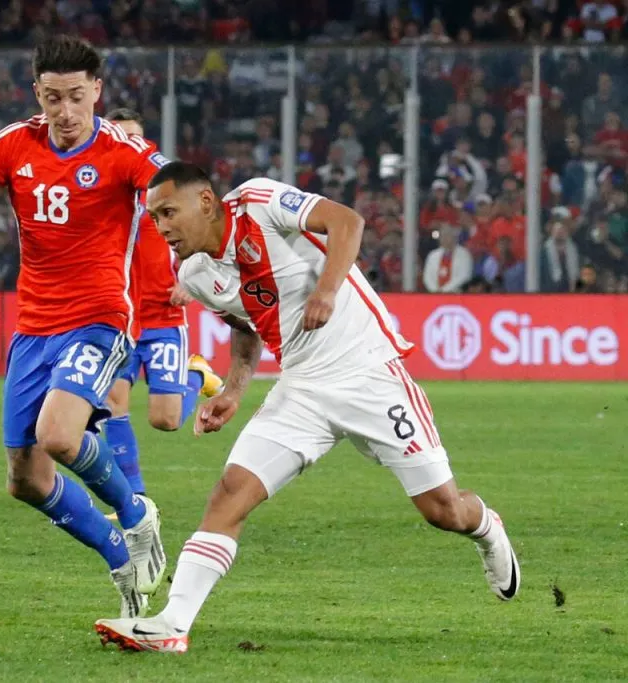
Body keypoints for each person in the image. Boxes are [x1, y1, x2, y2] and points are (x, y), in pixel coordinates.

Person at [95, 162, 520, 653]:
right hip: (301, 388)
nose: (161, 226)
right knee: (230, 493)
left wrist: (326, 290)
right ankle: (172, 624)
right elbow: (245, 325)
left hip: (368, 373)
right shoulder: (193, 274)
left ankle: (488, 528)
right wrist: (233, 390)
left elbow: (347, 222)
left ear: (206, 201)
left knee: (444, 511)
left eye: (169, 212)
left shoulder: (257, 202)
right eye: (154, 218)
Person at [0, 35, 167, 619]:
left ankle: (135, 516)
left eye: (77, 97)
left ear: (97, 92)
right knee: (25, 478)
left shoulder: (122, 153)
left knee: (58, 434)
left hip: (100, 320)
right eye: (53, 98)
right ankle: (118, 556)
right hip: (33, 329)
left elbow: (172, 190)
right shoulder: (14, 145)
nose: (66, 112)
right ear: (37, 93)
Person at [102, 108, 223, 501]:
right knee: (112, 405)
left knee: (165, 420)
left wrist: (192, 277)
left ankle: (197, 376)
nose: (127, 144)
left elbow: (207, 232)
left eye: (133, 137)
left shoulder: (167, 191)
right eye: (118, 137)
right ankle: (132, 501)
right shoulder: (98, 192)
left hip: (162, 314)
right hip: (119, 318)